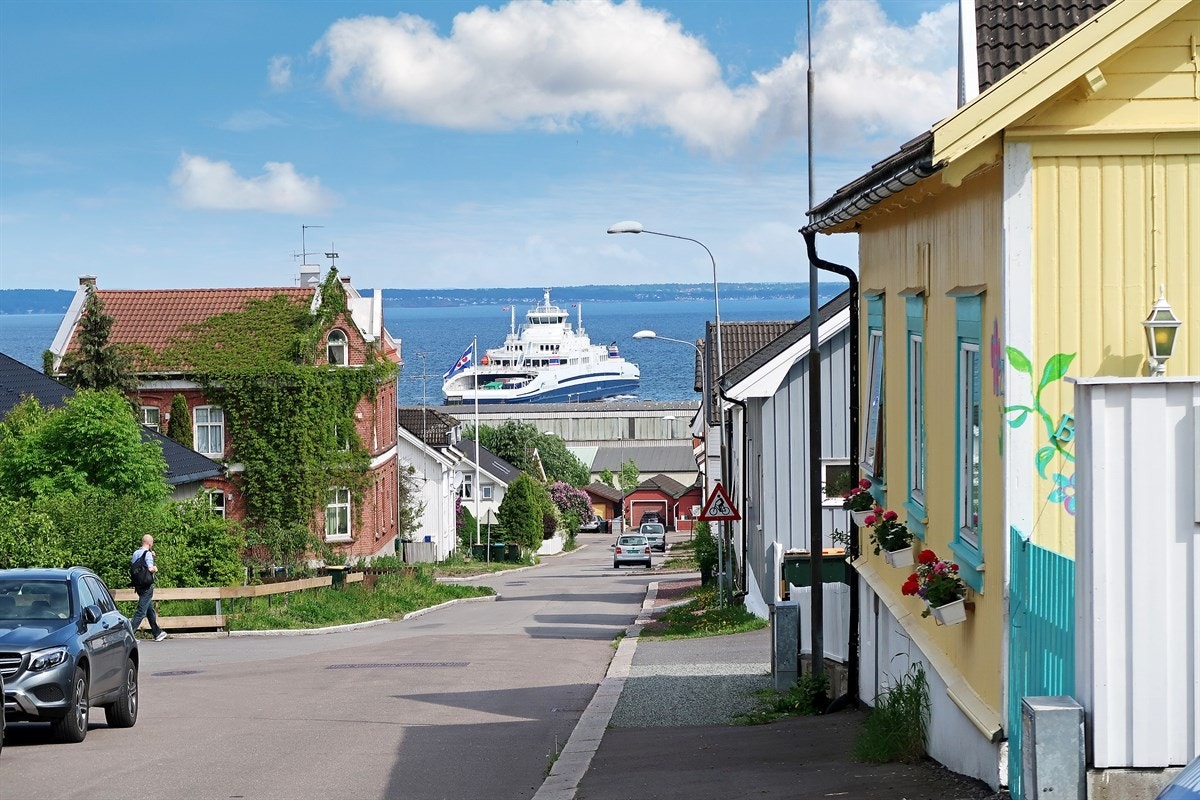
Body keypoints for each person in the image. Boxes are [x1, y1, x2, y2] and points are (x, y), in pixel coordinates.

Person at [129, 534, 167, 641]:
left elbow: (138, 568)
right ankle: (129, 635)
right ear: (150, 544)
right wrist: (155, 568)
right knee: (141, 612)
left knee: (149, 610)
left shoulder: (136, 553)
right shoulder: (148, 554)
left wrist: (151, 556)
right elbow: (149, 569)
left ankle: (157, 633)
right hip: (147, 586)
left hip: (138, 586)